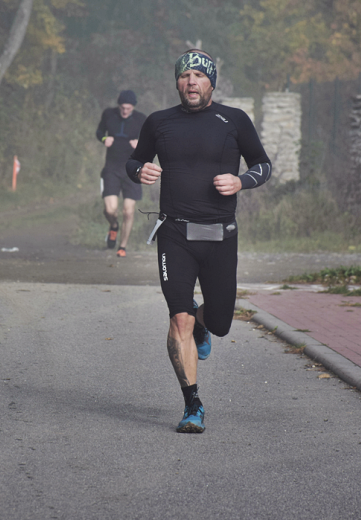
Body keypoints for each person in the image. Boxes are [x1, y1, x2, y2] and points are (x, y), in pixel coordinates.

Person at [126, 50, 271, 433]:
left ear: (212, 82)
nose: (191, 81)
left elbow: (263, 164)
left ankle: (204, 324)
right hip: (174, 234)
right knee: (179, 319)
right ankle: (193, 404)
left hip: (220, 235)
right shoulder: (159, 122)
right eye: (185, 75)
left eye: (199, 75)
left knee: (220, 321)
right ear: (177, 82)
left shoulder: (234, 120)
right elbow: (133, 161)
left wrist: (241, 181)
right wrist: (140, 170)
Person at [95, 90, 147, 257]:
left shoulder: (141, 119)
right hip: (112, 168)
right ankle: (114, 226)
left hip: (132, 169)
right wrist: (104, 139)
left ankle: (122, 247)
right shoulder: (109, 114)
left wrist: (140, 144)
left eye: (128, 108)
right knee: (110, 210)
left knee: (128, 211)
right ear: (119, 105)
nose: (125, 111)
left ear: (133, 107)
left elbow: (151, 142)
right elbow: (99, 132)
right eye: (123, 108)